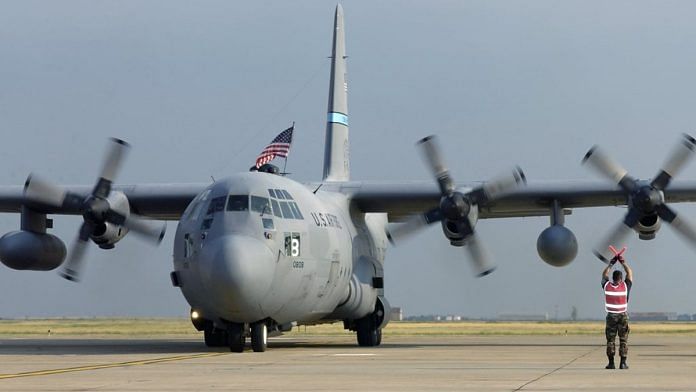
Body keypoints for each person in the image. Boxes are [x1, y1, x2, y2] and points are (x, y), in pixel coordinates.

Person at [601, 251, 633, 369]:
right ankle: (623, 363)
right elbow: (629, 273)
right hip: (623, 316)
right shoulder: (625, 287)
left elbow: (604, 275)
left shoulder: (607, 287)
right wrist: (623, 262)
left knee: (611, 340)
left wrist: (611, 264)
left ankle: (611, 363)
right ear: (621, 279)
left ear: (613, 278)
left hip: (611, 316)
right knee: (623, 339)